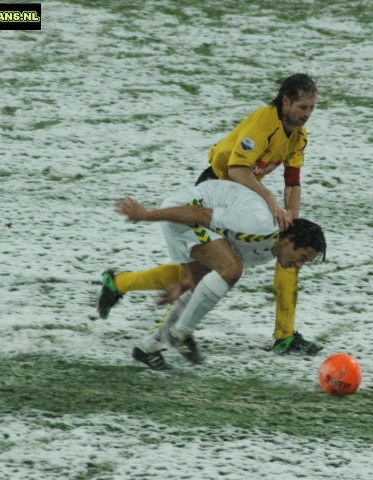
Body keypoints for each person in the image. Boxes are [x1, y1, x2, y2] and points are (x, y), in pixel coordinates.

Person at [104, 74, 322, 355]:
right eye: (303, 107)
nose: (308, 114)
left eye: (312, 108)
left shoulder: (298, 136)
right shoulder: (264, 121)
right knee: (216, 268)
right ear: (285, 102)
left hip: (243, 196)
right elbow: (235, 170)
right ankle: (130, 291)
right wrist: (269, 199)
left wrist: (292, 221)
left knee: (285, 256)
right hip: (217, 189)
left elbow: (293, 181)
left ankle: (284, 335)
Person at [97, 180, 327, 370]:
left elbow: (215, 267)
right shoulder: (261, 225)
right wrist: (146, 215)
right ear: (289, 240)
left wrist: (186, 283)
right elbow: (199, 214)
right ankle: (182, 334)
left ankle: (148, 348)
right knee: (233, 270)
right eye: (302, 258)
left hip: (197, 223)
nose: (299, 266)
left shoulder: (268, 251)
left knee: (206, 284)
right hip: (183, 212)